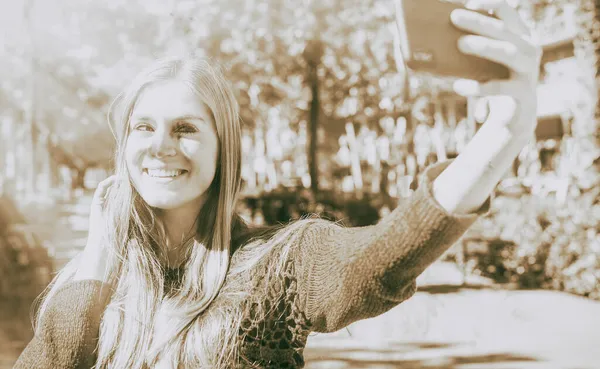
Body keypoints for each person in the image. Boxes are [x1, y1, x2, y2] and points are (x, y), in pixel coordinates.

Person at [14, 1, 541, 368]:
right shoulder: (92, 285)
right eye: (143, 127)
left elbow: (382, 257)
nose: (160, 146)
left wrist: (503, 129)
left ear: (225, 151)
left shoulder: (277, 264)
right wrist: (95, 269)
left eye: (186, 129)